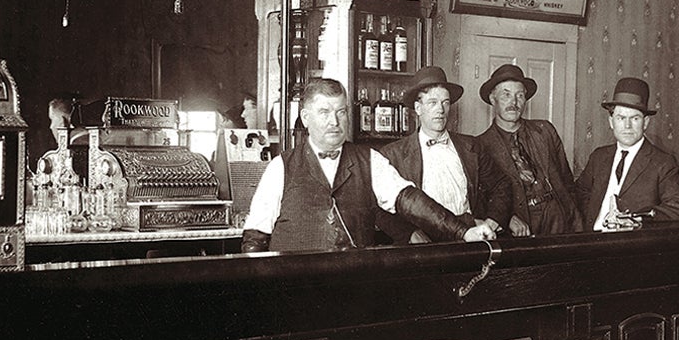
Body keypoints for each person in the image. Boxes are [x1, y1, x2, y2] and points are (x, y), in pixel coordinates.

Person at [241, 77, 497, 253]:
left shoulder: (370, 160)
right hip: (296, 291)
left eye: (341, 112)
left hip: (354, 288)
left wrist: (463, 232)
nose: (335, 121)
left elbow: (411, 201)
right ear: (306, 118)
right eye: (324, 112)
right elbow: (255, 238)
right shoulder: (280, 167)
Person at [378, 66, 513, 243]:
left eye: (445, 102)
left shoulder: (471, 146)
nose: (440, 110)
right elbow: (377, 209)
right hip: (424, 246)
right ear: (418, 108)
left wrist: (491, 223)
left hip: (470, 240)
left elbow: (501, 185)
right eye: (432, 102)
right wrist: (409, 234)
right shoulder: (393, 154)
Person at [475, 63, 583, 236]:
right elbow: (480, 200)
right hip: (521, 223)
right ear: (492, 99)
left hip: (558, 215)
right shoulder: (480, 145)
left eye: (520, 95)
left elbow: (566, 179)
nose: (514, 102)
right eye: (506, 95)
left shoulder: (545, 130)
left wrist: (574, 215)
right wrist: (507, 218)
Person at [576, 77, 679, 230]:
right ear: (611, 122)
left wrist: (638, 219)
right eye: (621, 118)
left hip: (633, 245)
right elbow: (579, 193)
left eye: (635, 118)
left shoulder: (662, 162)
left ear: (646, 122)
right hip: (593, 241)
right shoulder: (599, 156)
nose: (627, 126)